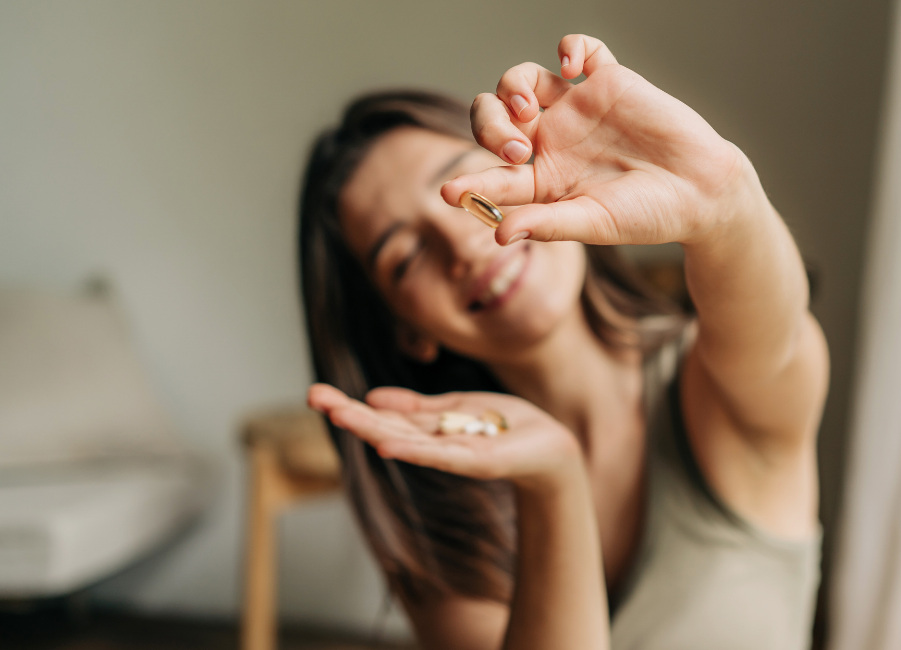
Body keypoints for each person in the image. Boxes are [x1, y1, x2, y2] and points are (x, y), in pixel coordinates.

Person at [301, 34, 828, 650]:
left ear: (526, 161)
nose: (461, 244)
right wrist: (554, 481)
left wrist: (723, 194)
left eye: (463, 185)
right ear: (406, 331)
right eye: (406, 256)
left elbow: (781, 335)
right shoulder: (441, 505)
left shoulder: (713, 387)